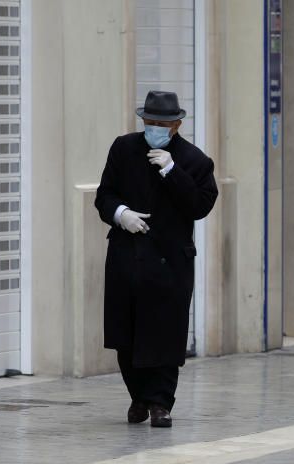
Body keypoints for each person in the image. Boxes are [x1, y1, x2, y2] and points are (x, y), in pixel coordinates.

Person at [95, 90, 217, 428]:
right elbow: (104, 194)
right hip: (127, 258)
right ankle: (138, 398)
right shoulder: (124, 149)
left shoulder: (195, 161)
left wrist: (173, 171)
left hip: (169, 264)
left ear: (176, 125)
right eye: (149, 122)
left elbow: (199, 206)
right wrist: (121, 215)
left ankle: (161, 403)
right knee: (126, 335)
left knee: (165, 334)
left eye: (162, 124)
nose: (155, 129)